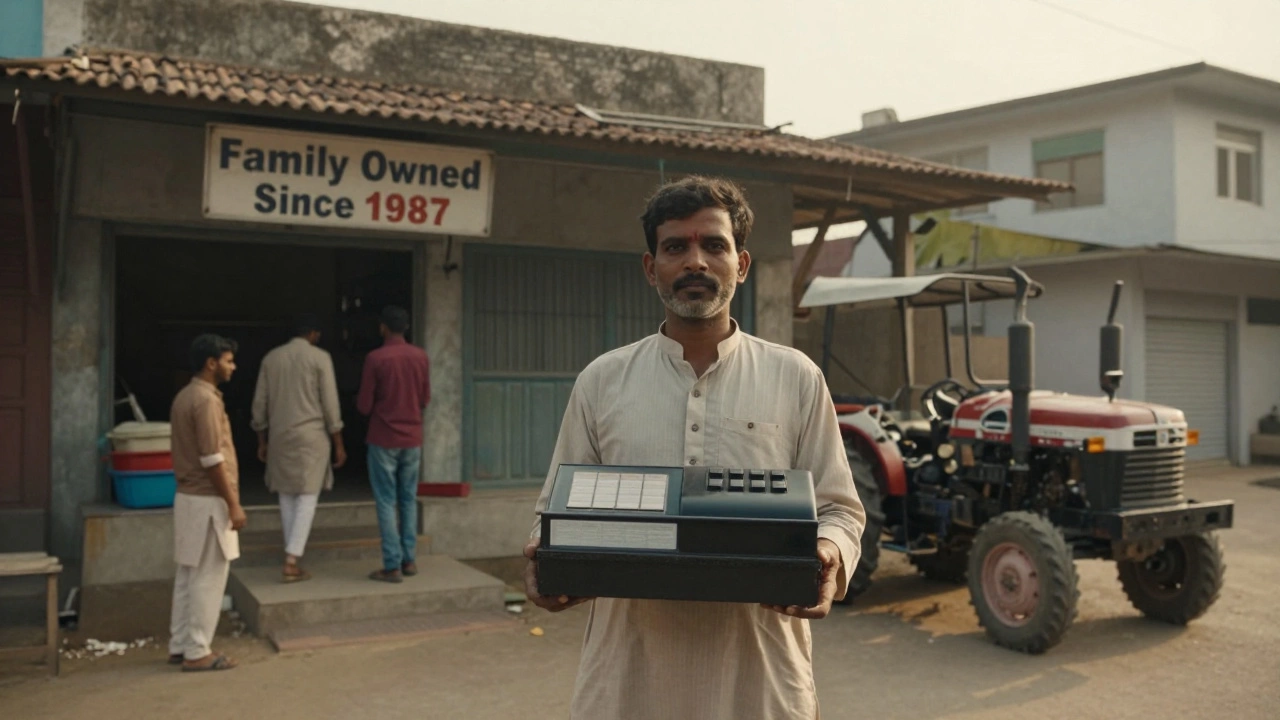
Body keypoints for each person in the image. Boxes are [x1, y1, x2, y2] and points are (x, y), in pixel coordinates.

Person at [524, 176, 866, 719]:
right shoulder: (602, 380)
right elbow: (554, 512)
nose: (695, 262)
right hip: (627, 681)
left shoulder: (796, 377)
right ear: (650, 267)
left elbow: (840, 510)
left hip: (759, 680)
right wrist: (546, 563)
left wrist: (827, 553)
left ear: (742, 264)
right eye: (675, 247)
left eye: (714, 245)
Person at [167, 333, 246, 672]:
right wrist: (233, 504)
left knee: (188, 575)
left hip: (187, 498)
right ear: (211, 363)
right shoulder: (207, 401)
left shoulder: (185, 396)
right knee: (208, 577)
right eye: (228, 361)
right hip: (208, 499)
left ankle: (181, 644)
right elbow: (213, 458)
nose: (233, 367)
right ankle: (198, 650)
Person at [251, 313, 347, 583]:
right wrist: (338, 442)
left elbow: (260, 404)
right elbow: (330, 404)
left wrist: (261, 439)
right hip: (312, 437)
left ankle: (292, 556)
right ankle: (292, 559)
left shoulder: (271, 359)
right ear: (314, 334)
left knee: (286, 494)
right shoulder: (320, 358)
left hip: (280, 436)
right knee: (307, 496)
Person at [357, 305, 431, 583]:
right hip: (412, 438)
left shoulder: (375, 358)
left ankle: (392, 565)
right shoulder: (420, 357)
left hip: (383, 437)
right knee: (408, 499)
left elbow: (364, 405)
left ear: (383, 328)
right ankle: (409, 559)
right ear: (406, 328)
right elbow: (425, 399)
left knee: (386, 501)